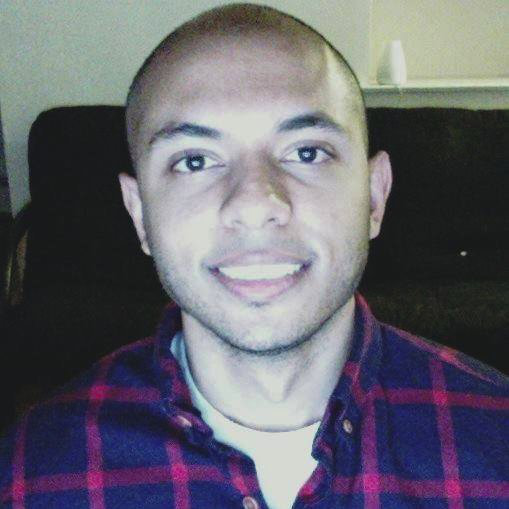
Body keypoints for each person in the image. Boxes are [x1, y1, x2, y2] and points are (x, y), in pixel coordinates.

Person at [1, 4, 508, 508]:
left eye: (306, 152)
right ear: (139, 215)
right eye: (194, 161)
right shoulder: (33, 476)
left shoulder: (497, 441)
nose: (255, 204)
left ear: (374, 196)